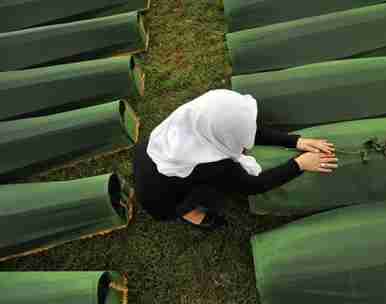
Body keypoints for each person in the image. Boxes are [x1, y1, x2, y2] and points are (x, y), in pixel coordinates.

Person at [133, 89, 337, 230]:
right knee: (210, 193)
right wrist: (300, 164)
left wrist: (296, 142)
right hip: (161, 200)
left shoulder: (194, 121)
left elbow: (243, 131)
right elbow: (254, 185)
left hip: (149, 159)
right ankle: (188, 213)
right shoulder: (215, 166)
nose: (245, 141)